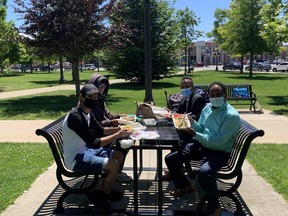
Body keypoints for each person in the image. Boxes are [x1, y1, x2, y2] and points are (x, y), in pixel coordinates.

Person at [165, 81, 241, 216]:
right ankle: (184, 186)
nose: (215, 97)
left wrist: (194, 134)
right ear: (209, 96)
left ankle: (214, 207)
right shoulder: (208, 108)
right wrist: (191, 123)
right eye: (212, 94)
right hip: (203, 146)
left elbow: (218, 142)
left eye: (219, 94)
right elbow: (201, 128)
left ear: (225, 95)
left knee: (205, 174)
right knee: (171, 158)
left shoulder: (231, 115)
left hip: (219, 152)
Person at [62, 84, 132, 212]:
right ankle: (102, 195)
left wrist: (120, 129)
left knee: (118, 155)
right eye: (90, 96)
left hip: (86, 151)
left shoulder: (87, 113)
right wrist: (117, 135)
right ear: (81, 97)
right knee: (113, 165)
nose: (93, 99)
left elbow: (101, 129)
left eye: (95, 96)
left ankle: (102, 191)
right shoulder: (75, 117)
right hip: (75, 158)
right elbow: (94, 142)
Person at [87, 73, 132, 183]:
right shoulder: (90, 102)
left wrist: (122, 116)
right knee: (122, 143)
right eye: (99, 86)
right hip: (96, 137)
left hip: (103, 132)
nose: (102, 89)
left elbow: (109, 114)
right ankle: (116, 172)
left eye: (104, 87)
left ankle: (117, 170)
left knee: (126, 139)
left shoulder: (100, 100)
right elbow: (95, 124)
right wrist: (112, 122)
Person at [162, 76, 206, 180]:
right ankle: (175, 168)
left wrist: (184, 117)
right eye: (182, 86)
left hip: (192, 135)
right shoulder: (185, 98)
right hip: (183, 130)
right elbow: (178, 112)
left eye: (187, 86)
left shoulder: (198, 98)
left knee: (173, 140)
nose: (185, 88)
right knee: (171, 137)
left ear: (192, 87)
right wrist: (171, 113)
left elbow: (199, 118)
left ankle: (175, 169)